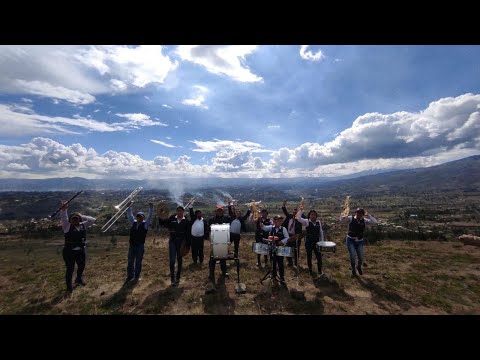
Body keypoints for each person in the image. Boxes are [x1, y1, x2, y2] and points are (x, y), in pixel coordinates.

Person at [60, 201, 96, 293]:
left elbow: (93, 220)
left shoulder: (83, 224)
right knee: (70, 269)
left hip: (80, 250)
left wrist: (81, 216)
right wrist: (64, 209)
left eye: (77, 219)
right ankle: (69, 287)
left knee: (81, 265)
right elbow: (64, 217)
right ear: (70, 220)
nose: (75, 220)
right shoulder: (67, 226)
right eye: (73, 218)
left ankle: (78, 279)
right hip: (69, 251)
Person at [158, 206, 191, 286]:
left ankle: (178, 277)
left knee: (179, 260)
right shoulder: (172, 218)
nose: (179, 212)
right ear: (176, 211)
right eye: (178, 210)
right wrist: (161, 215)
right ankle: (172, 278)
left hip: (181, 242)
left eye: (181, 211)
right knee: (172, 260)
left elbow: (188, 233)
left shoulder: (186, 221)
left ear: (183, 212)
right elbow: (164, 224)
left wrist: (188, 244)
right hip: (172, 241)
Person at [340, 207, 378, 276]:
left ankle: (358, 266)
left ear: (363, 214)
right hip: (350, 240)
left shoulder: (365, 220)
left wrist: (368, 215)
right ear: (356, 213)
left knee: (360, 257)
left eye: (360, 213)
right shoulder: (351, 218)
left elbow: (375, 222)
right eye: (357, 212)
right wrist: (343, 214)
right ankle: (353, 269)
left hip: (360, 241)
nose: (359, 214)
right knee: (352, 256)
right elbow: (341, 221)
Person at [125, 202, 154, 282]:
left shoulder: (145, 224)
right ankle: (130, 276)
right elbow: (130, 216)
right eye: (138, 216)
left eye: (140, 217)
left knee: (138, 261)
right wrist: (129, 207)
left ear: (143, 218)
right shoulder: (133, 222)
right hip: (132, 245)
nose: (139, 218)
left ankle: (136, 277)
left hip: (140, 245)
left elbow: (150, 217)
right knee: (130, 261)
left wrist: (151, 208)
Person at [259, 215, 290, 284]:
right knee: (273, 262)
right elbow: (263, 227)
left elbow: (287, 237)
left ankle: (282, 277)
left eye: (280, 221)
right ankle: (274, 276)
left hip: (280, 248)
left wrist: (282, 241)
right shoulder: (271, 227)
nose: (279, 222)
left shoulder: (283, 229)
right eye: (277, 220)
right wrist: (260, 220)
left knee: (280, 263)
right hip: (272, 248)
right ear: (274, 221)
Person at [296, 205, 324, 276]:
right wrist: (300, 210)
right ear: (309, 215)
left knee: (319, 257)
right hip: (309, 242)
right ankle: (310, 271)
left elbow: (321, 232)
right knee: (309, 256)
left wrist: (322, 242)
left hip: (317, 242)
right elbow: (298, 218)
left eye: (314, 214)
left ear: (316, 216)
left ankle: (320, 271)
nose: (313, 216)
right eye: (311, 214)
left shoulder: (318, 222)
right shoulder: (306, 222)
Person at [208, 205, 233, 281]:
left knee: (223, 258)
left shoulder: (226, 218)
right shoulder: (211, 219)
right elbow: (209, 229)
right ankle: (211, 273)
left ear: (223, 211)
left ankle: (224, 271)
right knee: (212, 258)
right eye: (218, 210)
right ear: (216, 211)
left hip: (223, 241)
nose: (219, 212)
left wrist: (230, 206)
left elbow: (232, 217)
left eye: (221, 210)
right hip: (214, 241)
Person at [282, 200, 306, 268]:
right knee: (288, 249)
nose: (294, 212)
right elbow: (285, 211)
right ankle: (290, 262)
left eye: (296, 211)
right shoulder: (289, 216)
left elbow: (305, 217)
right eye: (294, 211)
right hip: (289, 236)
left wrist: (300, 211)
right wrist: (283, 205)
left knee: (296, 250)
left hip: (296, 236)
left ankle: (296, 263)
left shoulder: (299, 218)